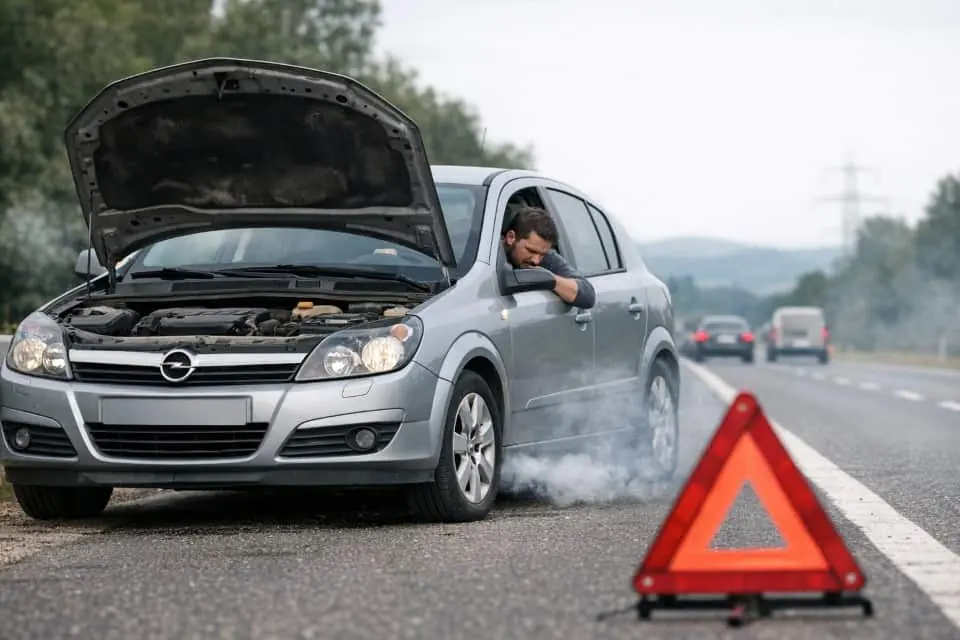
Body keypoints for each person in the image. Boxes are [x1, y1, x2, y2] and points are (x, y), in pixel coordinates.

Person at [501, 206, 596, 309]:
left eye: (542, 254)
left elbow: (587, 295)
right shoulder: (489, 252)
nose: (536, 261)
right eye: (531, 251)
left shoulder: (545, 258)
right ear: (511, 237)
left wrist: (548, 279)